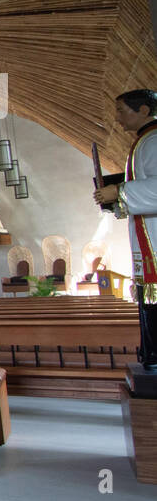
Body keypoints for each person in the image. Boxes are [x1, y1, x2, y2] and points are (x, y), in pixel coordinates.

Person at [94, 89, 157, 369]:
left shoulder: (154, 141)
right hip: (148, 237)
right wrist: (116, 199)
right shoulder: (144, 141)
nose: (117, 118)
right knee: (149, 310)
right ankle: (151, 357)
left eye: (121, 111)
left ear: (143, 110)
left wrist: (118, 192)